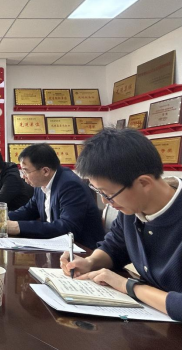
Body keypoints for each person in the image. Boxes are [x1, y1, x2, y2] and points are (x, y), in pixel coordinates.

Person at [61, 128, 181, 322]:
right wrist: (90, 262)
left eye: (108, 194)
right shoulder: (132, 209)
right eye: (99, 192)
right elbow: (115, 247)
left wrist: (128, 286)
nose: (106, 202)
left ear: (144, 183)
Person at [1, 143, 105, 249]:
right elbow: (30, 209)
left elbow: (67, 227)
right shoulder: (41, 183)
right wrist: (3, 217)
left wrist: (18, 227)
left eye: (26, 171)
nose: (23, 176)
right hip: (55, 244)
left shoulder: (70, 185)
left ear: (45, 171)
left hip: (82, 249)